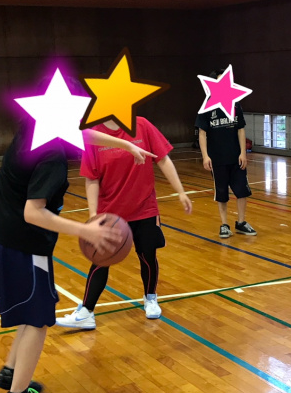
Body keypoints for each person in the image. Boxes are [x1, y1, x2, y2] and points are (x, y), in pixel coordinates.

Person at [0, 122, 154, 393]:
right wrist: (86, 231)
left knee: (31, 311)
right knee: (38, 319)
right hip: (23, 244)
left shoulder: (33, 127)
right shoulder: (52, 156)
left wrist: (125, 144)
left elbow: (78, 133)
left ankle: (11, 372)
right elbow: (33, 212)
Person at [56, 116, 192, 330]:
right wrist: (94, 215)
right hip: (111, 214)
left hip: (144, 208)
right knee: (100, 261)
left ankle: (150, 298)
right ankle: (86, 312)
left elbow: (163, 159)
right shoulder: (94, 135)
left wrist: (181, 191)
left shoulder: (142, 125)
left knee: (148, 255)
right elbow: (91, 178)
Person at [195, 69, 256, 239]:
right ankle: (224, 224)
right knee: (221, 192)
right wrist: (205, 156)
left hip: (236, 157)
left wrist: (243, 152)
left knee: (242, 190)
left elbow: (241, 129)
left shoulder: (235, 104)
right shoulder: (207, 107)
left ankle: (241, 223)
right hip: (217, 158)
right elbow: (202, 133)